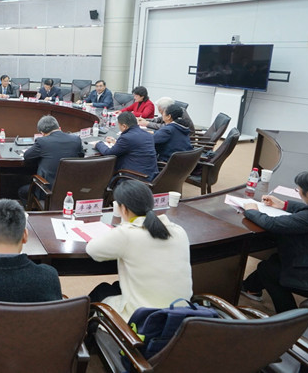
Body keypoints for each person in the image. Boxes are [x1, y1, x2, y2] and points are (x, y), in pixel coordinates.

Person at [86, 180, 192, 320]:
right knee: (116, 287)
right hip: (181, 316)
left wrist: (123, 226)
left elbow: (92, 249)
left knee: (102, 290)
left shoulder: (126, 234)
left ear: (123, 209)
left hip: (144, 320)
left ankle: (82, 331)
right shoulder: (178, 231)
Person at [241, 169, 308, 312]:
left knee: (268, 270)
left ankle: (290, 317)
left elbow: (273, 224)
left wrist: (251, 211)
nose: (298, 192)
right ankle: (250, 288)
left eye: (298, 189)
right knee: (275, 261)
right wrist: (285, 205)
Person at [18, 115, 84, 202]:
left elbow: (27, 156)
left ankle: (34, 210)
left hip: (47, 191)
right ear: (58, 127)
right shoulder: (76, 140)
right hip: (71, 190)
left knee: (22, 191)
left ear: (42, 133)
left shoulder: (42, 142)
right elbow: (81, 156)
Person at [95, 112, 159, 180]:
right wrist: (115, 142)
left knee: (104, 173)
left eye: (119, 125)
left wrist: (98, 144)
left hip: (136, 178)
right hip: (151, 174)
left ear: (124, 126)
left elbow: (109, 153)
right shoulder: (148, 135)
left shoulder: (126, 138)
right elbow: (134, 145)